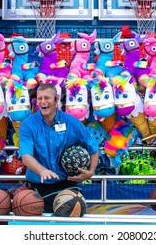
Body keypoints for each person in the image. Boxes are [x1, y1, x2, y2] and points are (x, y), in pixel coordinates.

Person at [19, 83, 99, 213]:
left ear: (56, 98)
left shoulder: (72, 122)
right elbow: (25, 156)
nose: (43, 102)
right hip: (37, 187)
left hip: (67, 186)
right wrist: (42, 171)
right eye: (40, 98)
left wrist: (90, 172)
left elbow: (93, 148)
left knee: (69, 224)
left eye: (47, 98)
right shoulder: (28, 124)